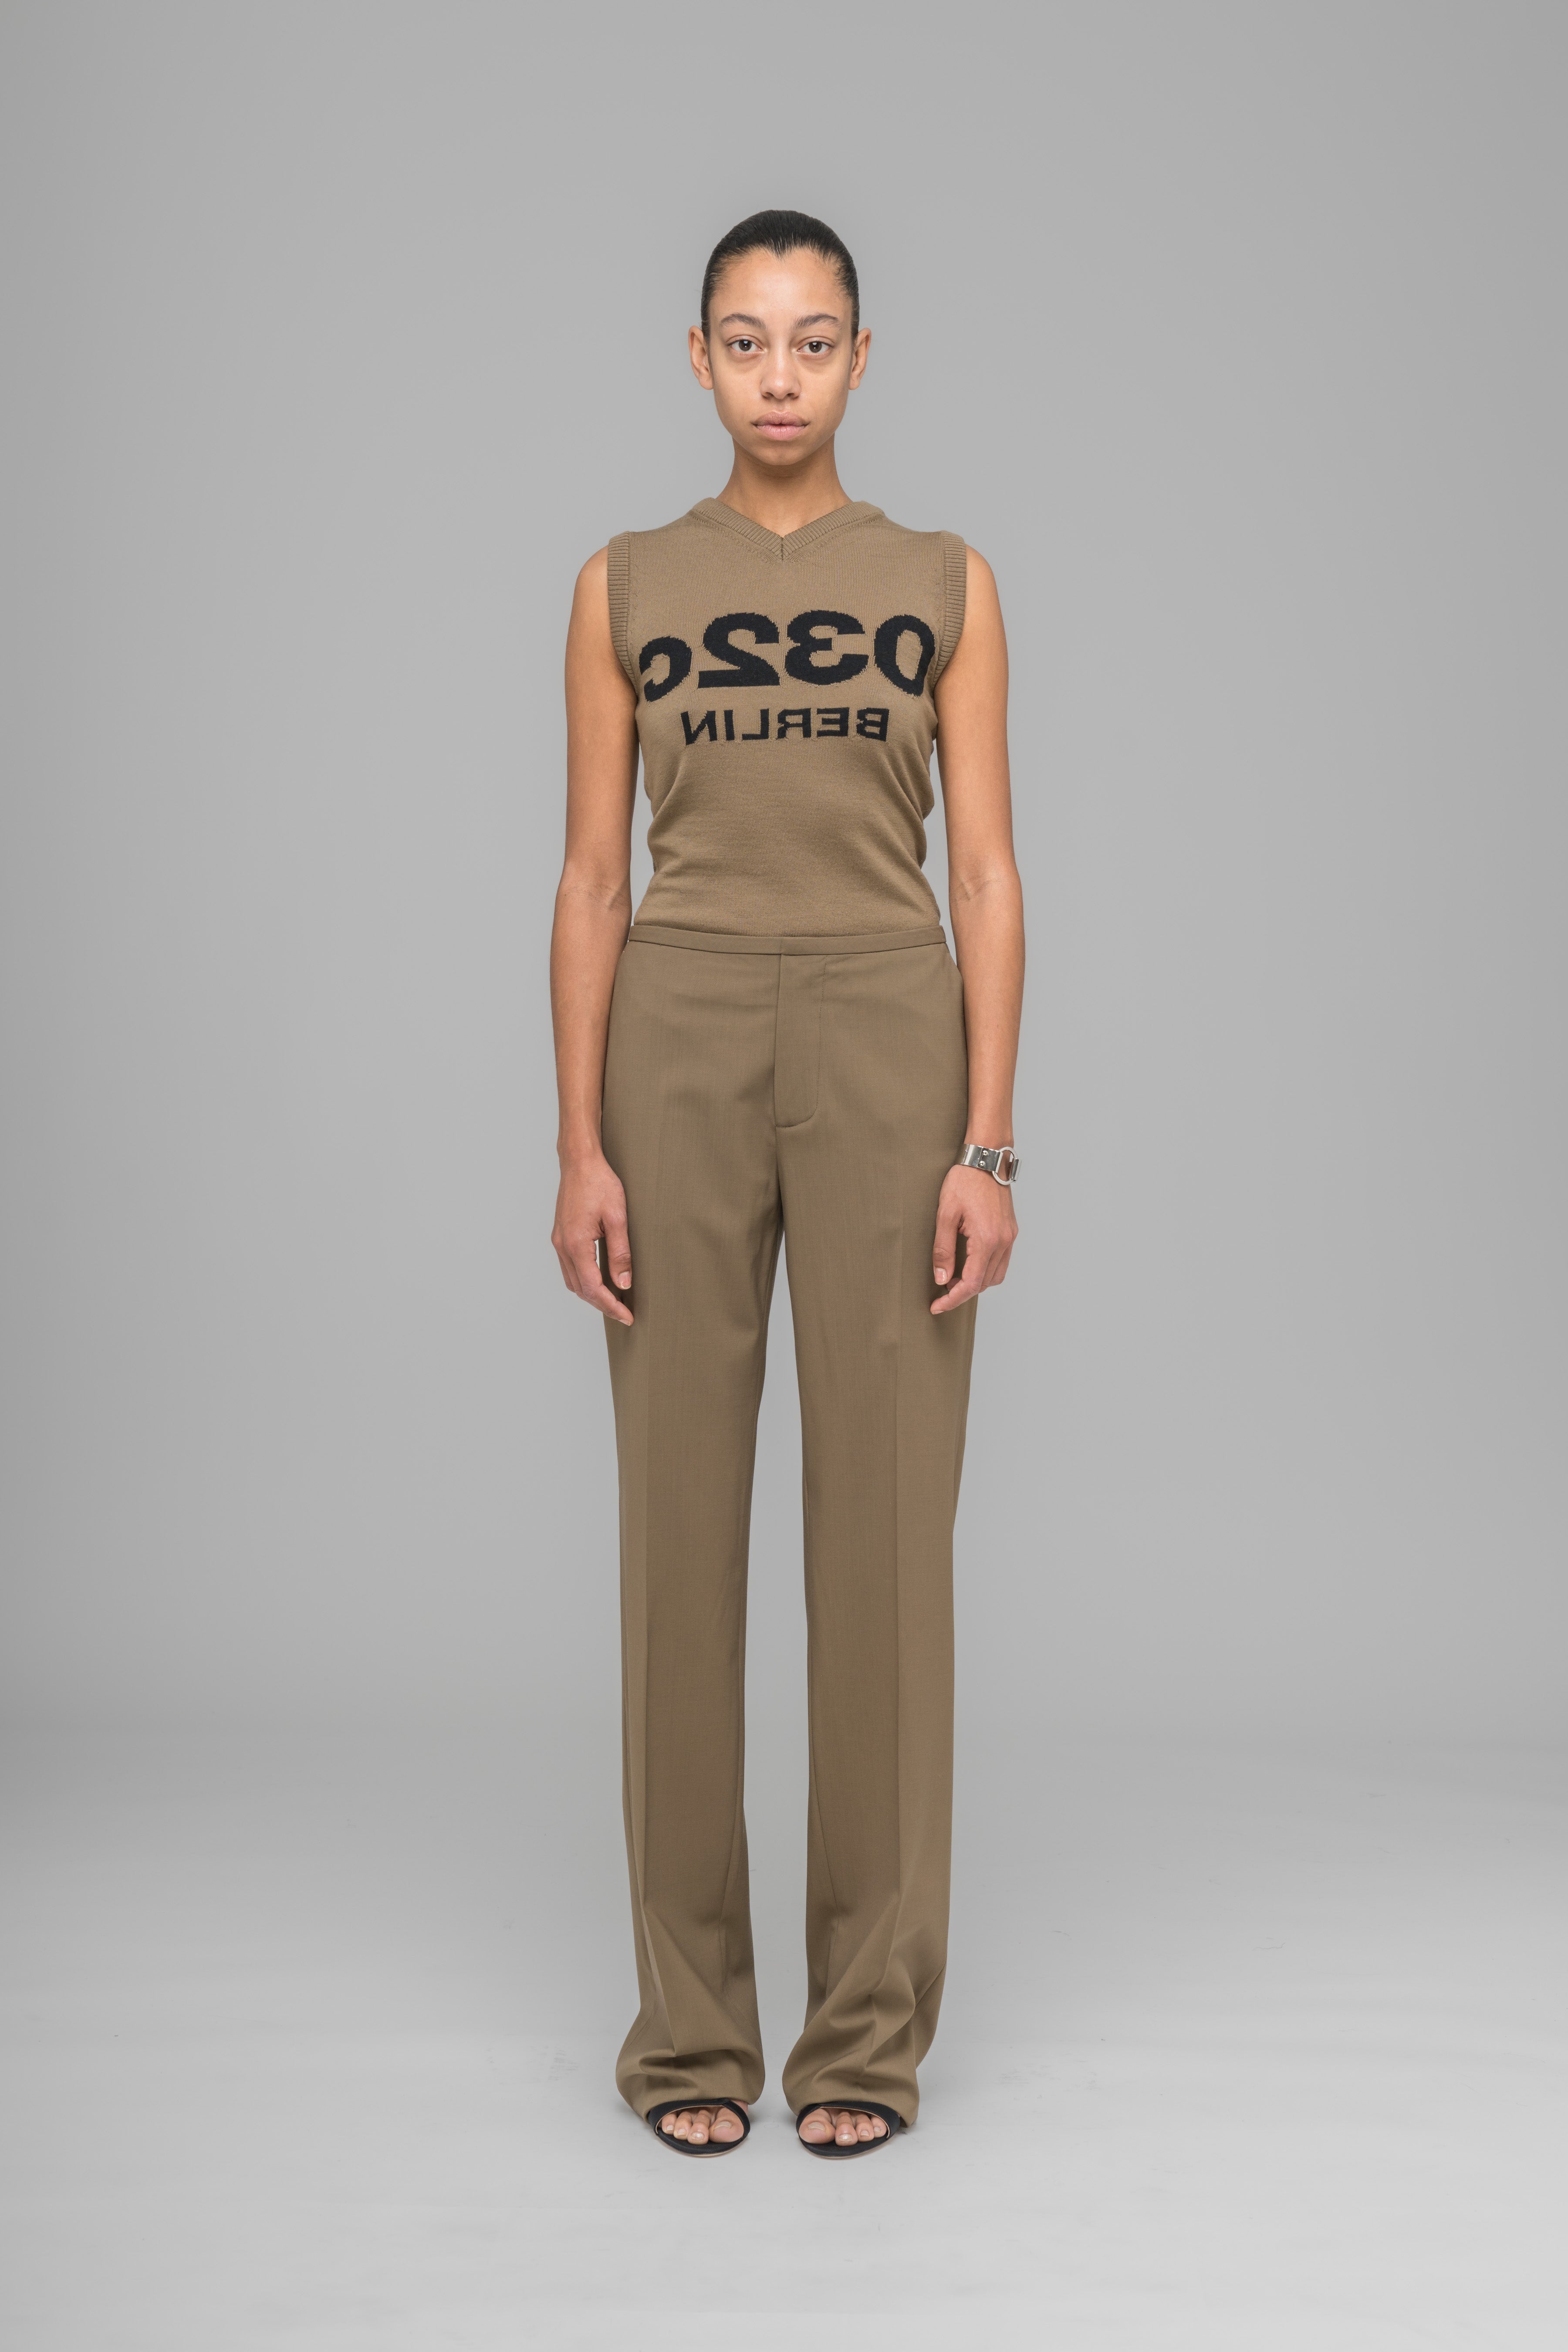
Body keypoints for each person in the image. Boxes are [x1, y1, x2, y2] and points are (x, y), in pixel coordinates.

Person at [549, 210, 1023, 2159]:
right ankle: (689, 2032)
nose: (778, 375)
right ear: (696, 357)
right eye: (745, 340)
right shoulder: (624, 583)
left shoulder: (945, 579)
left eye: (812, 340)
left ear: (860, 358)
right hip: (677, 1028)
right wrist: (578, 1142)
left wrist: (987, 1142)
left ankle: (863, 2038)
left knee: (887, 1540)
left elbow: (984, 873)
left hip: (889, 1027)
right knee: (678, 1536)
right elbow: (594, 874)